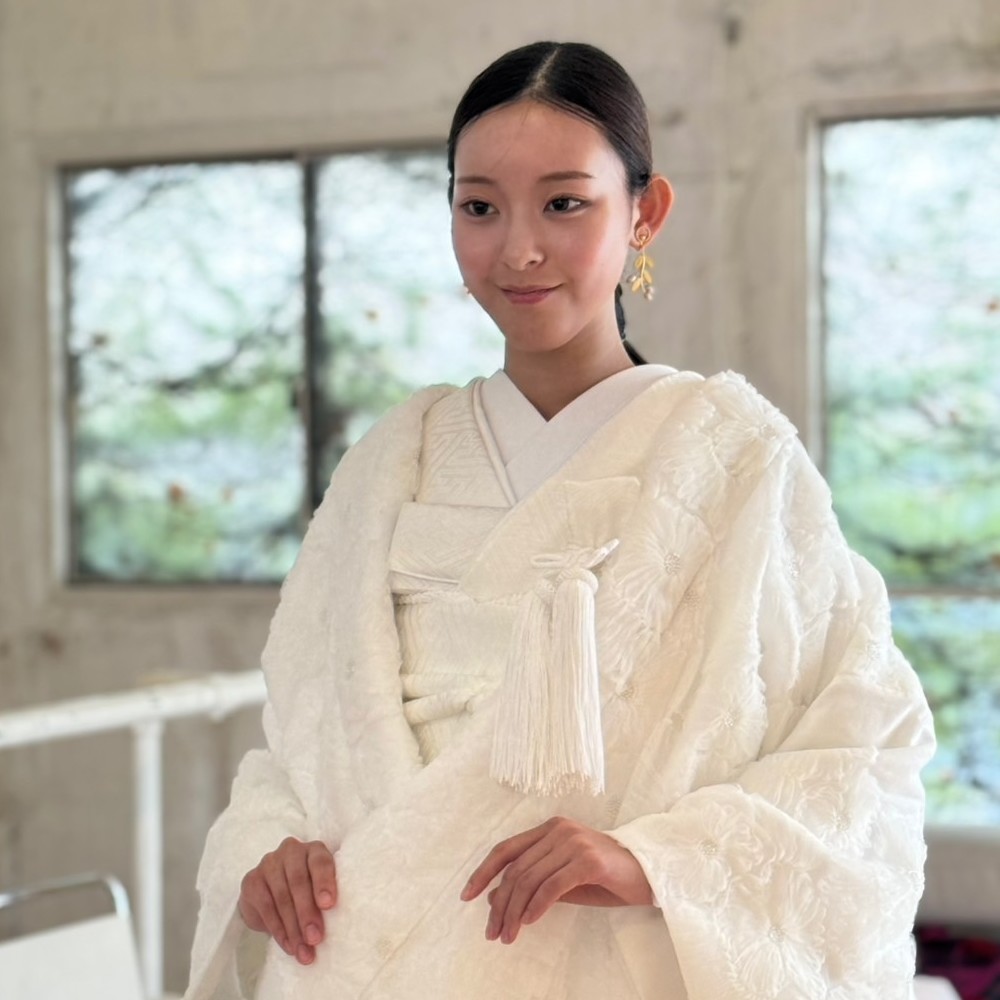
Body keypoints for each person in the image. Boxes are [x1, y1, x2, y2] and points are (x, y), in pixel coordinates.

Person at [184, 41, 935, 1000]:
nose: (518, 249)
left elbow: (864, 749)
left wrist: (654, 860)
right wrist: (268, 845)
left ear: (645, 213)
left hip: (606, 962)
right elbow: (297, 737)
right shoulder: (392, 460)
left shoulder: (734, 458)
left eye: (565, 203)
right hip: (369, 954)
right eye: (479, 207)